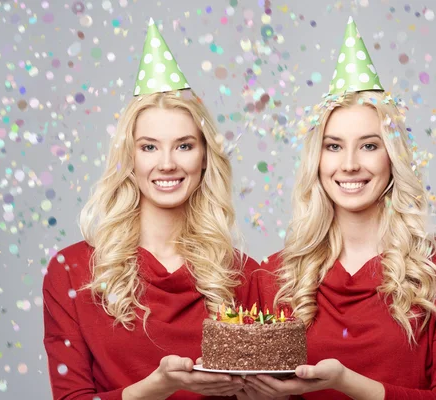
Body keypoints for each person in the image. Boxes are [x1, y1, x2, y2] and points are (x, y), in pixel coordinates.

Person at [243, 17, 436, 400]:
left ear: (392, 157)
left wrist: (345, 382)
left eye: (369, 145)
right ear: (316, 160)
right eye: (334, 146)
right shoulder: (272, 277)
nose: (350, 164)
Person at [42, 19, 257, 399]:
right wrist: (158, 386)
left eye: (184, 146)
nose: (168, 163)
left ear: (205, 157)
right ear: (130, 158)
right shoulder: (72, 273)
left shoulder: (245, 275)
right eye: (149, 147)